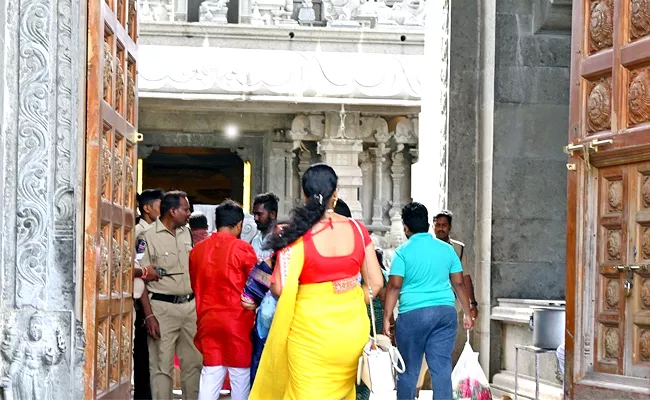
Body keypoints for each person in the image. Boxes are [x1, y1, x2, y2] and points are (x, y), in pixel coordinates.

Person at [250, 163, 384, 400]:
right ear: (336, 193)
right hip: (351, 333)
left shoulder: (296, 234)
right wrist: (347, 298)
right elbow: (375, 282)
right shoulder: (357, 228)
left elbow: (279, 287)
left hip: (309, 334)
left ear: (304, 195)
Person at [382, 202, 474, 400]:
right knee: (441, 370)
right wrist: (467, 312)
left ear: (406, 227)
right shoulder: (446, 249)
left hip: (413, 316)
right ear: (427, 224)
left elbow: (394, 286)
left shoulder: (402, 252)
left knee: (408, 371)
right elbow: (459, 284)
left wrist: (387, 316)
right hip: (444, 313)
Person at [190, 200, 258, 400]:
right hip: (238, 321)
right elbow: (257, 284)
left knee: (210, 373)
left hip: (207, 318)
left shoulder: (197, 250)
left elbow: (195, 284)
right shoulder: (242, 249)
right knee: (239, 376)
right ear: (239, 225)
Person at [138, 191, 203, 400]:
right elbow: (140, 277)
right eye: (186, 209)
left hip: (189, 307)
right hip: (161, 309)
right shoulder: (147, 236)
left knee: (193, 364)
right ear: (172, 211)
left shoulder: (187, 233)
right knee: (161, 367)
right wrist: (149, 316)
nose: (189, 213)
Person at [416, 209, 479, 395]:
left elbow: (464, 279)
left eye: (444, 225)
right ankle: (418, 389)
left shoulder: (458, 249)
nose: (441, 229)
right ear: (432, 226)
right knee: (425, 351)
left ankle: (439, 390)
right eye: (438, 225)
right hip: (428, 305)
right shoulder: (425, 247)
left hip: (450, 306)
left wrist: (472, 304)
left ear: (450, 227)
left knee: (442, 350)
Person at [133, 188, 164, 400]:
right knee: (145, 358)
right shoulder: (142, 234)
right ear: (147, 208)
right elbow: (137, 265)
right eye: (160, 207)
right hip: (143, 301)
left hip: (154, 301)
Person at [249, 192, 280, 385]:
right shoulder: (255, 240)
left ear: (273, 214)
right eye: (254, 213)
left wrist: (259, 275)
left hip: (276, 309)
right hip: (258, 308)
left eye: (259, 214)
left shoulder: (282, 240)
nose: (255, 218)